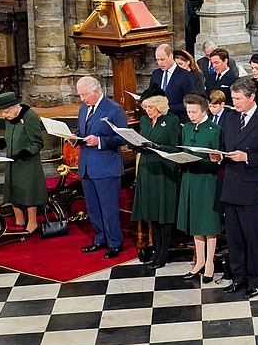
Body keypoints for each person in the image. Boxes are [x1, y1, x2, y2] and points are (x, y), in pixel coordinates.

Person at [218, 77, 258, 299]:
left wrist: (248, 157)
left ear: (251, 97)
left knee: (252, 238)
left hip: (252, 189)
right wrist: (217, 156)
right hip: (230, 186)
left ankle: (254, 280)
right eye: (232, 98)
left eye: (237, 98)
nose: (233, 102)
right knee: (234, 238)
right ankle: (238, 278)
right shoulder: (230, 118)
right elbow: (224, 146)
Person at [74, 76, 127, 258]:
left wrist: (100, 141)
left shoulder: (114, 110)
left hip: (106, 167)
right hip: (87, 167)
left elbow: (122, 138)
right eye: (80, 95)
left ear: (95, 91)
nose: (82, 99)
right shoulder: (83, 110)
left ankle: (114, 243)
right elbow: (82, 132)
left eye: (84, 95)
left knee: (109, 207)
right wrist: (74, 138)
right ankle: (100, 239)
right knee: (93, 208)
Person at [177, 94, 223, 283]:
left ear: (204, 110)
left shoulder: (214, 129)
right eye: (188, 112)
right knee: (196, 221)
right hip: (190, 178)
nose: (191, 115)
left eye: (194, 112)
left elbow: (219, 157)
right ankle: (199, 261)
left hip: (207, 179)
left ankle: (210, 263)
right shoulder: (186, 127)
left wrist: (216, 159)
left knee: (208, 222)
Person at [0, 92, 48, 236]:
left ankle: (32, 222)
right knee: (13, 189)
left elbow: (37, 143)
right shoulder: (10, 117)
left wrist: (25, 153)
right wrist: (1, 143)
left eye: (6, 111)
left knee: (28, 191)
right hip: (12, 160)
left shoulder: (30, 117)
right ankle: (19, 220)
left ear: (15, 107)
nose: (4, 115)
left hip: (27, 161)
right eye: (1, 112)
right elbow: (10, 135)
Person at [131, 91, 180, 269]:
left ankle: (163, 253)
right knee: (152, 212)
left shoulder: (171, 121)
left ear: (160, 106)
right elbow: (142, 139)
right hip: (146, 168)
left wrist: (158, 147)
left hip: (163, 170)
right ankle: (157, 250)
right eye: (145, 107)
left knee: (164, 213)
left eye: (150, 107)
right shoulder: (144, 121)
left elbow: (175, 147)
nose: (147, 110)